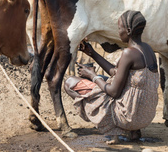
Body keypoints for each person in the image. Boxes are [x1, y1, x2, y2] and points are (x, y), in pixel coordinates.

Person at [64, 10, 159, 144]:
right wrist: (93, 54)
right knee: (104, 78)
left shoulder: (128, 53)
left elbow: (114, 92)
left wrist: (92, 75)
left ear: (129, 30)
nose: (118, 31)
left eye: (119, 28)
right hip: (145, 116)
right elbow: (116, 72)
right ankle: (133, 131)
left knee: (69, 82)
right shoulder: (147, 49)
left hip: (128, 116)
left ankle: (113, 128)